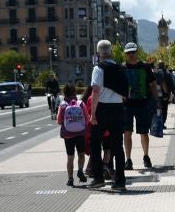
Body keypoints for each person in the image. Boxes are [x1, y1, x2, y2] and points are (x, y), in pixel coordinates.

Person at [88, 39, 128, 191]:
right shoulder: (121, 69)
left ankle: (98, 178)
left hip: (103, 109)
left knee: (95, 143)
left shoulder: (98, 68)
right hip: (118, 108)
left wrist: (92, 113)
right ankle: (120, 181)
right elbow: (126, 93)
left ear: (98, 53)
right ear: (110, 51)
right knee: (118, 145)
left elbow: (96, 91)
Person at [120, 42, 156, 170]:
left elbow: (152, 85)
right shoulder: (122, 68)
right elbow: (117, 86)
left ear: (137, 52)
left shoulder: (145, 67)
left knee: (144, 132)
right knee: (127, 133)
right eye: (128, 53)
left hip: (142, 104)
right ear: (125, 54)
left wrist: (156, 103)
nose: (131, 55)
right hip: (126, 105)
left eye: (133, 52)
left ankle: (146, 156)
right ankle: (128, 160)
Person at [56, 83, 88, 186]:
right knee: (81, 154)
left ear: (64, 93)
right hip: (80, 133)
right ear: (75, 92)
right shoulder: (80, 104)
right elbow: (87, 118)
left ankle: (70, 179)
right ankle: (80, 170)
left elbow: (59, 121)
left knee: (70, 157)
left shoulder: (63, 105)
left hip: (68, 135)